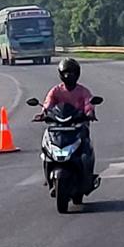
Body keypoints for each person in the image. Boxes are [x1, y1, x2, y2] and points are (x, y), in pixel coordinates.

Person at [35, 57, 98, 188]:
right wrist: (43, 113)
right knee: (46, 149)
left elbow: (88, 103)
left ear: (77, 74)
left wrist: (89, 113)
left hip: (78, 125)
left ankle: (87, 177)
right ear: (60, 74)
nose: (69, 76)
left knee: (86, 150)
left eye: (72, 73)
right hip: (58, 125)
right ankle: (48, 175)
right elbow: (48, 103)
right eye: (66, 73)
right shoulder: (56, 91)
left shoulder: (82, 91)